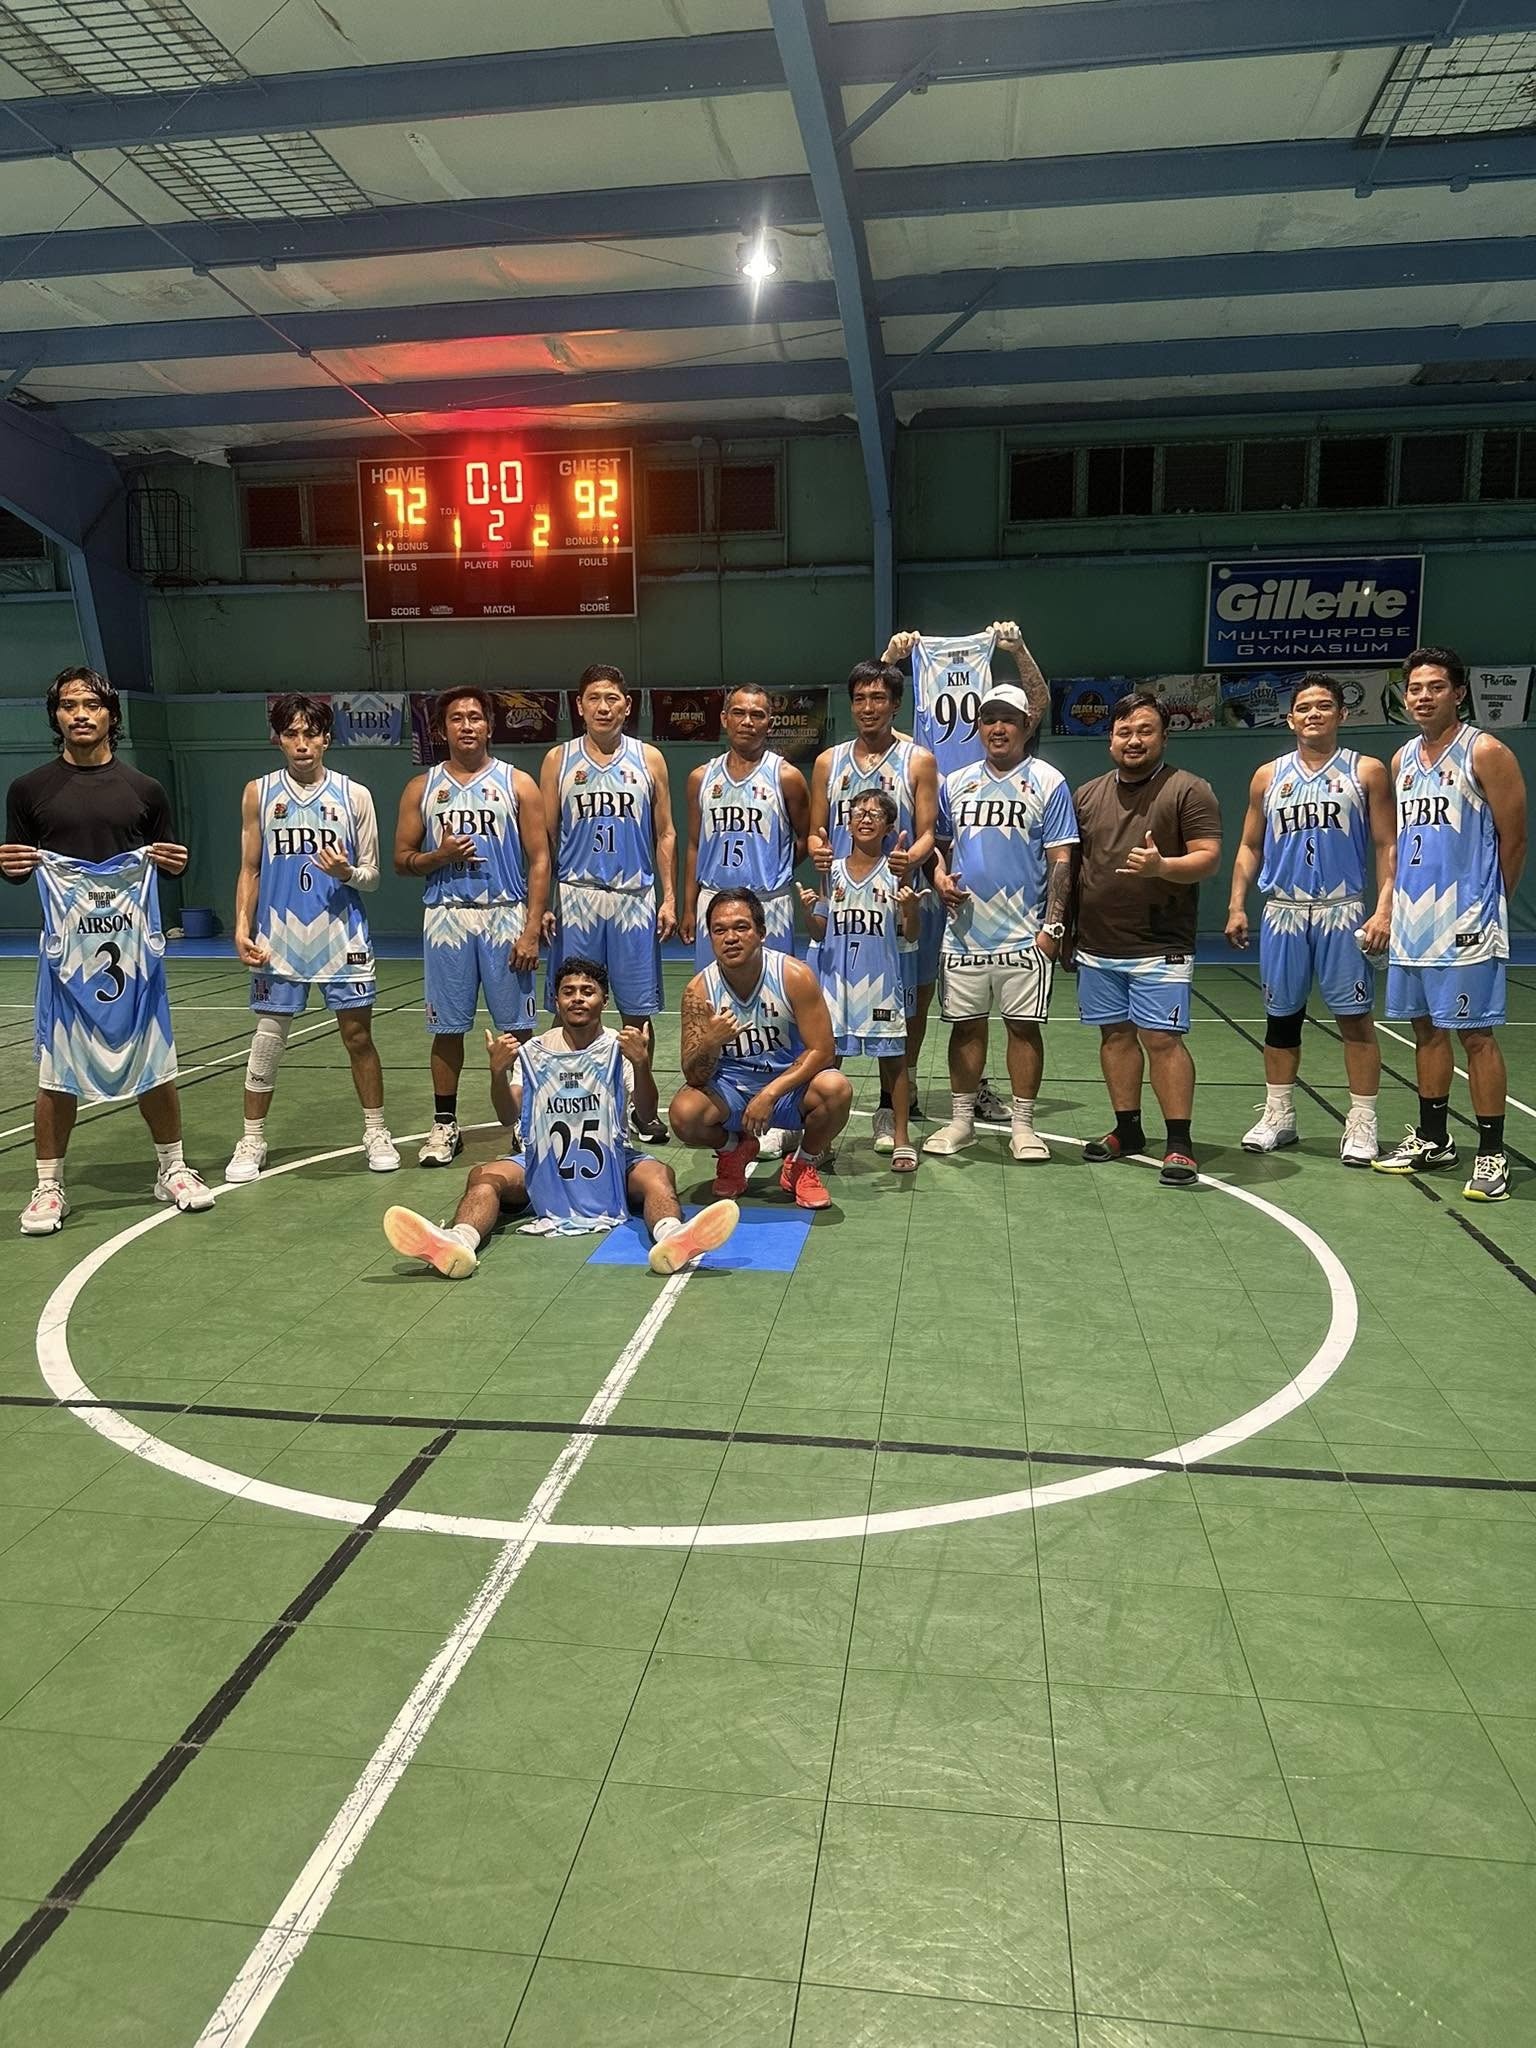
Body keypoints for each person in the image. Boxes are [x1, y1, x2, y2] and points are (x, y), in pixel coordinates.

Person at [1, 665, 214, 1233]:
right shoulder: (28, 790)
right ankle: (49, 1186)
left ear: (111, 715)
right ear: (55, 717)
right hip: (67, 957)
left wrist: (175, 863)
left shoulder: (145, 790)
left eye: (91, 705)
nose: (80, 715)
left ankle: (172, 1168)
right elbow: (19, 868)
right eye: (68, 705)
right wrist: (11, 865)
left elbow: (169, 863)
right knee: (56, 1072)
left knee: (155, 1063)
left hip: (135, 953)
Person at [383, 956, 739, 1278]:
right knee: (483, 1176)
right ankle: (458, 1241)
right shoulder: (535, 1051)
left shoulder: (619, 1048)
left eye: (588, 991)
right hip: (543, 1163)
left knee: (659, 1175)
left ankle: (672, 1236)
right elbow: (508, 1114)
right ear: (556, 1001)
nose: (577, 998)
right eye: (568, 992)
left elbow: (646, 1115)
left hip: (612, 1163)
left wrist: (642, 1064)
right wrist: (497, 1074)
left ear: (604, 1000)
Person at [881, 620, 1050, 1126]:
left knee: (981, 997)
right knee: (918, 990)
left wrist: (1018, 649)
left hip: (984, 892)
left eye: (1004, 718)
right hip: (925, 872)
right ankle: (905, 1088)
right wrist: (891, 660)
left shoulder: (1002, 741)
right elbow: (876, 708)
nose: (997, 725)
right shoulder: (916, 746)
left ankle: (977, 1089)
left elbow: (1038, 702)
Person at [1373, 645, 1527, 1201]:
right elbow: (1400, 844)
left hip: (1467, 918)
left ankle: (1491, 1154)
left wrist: (1490, 905)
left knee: (1475, 1036)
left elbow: (1515, 839)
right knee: (1425, 1030)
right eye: (1414, 688)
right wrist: (1390, 907)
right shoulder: (1401, 760)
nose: (1422, 697)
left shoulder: (1485, 751)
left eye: (1435, 687)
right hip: (1415, 920)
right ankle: (1435, 1139)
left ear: (1458, 693)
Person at [226, 694, 399, 1181]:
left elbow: (372, 876)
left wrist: (347, 872)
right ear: (278, 739)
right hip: (277, 938)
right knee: (268, 1040)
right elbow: (250, 868)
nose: (301, 744)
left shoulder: (354, 795)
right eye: (291, 734)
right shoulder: (258, 793)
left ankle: (376, 1131)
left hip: (342, 936)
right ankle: (252, 1139)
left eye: (310, 734)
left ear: (326, 739)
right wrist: (241, 927)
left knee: (358, 1036)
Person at [1225, 675, 1395, 1166]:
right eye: (1303, 707)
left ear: (1342, 714)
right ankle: (1279, 1115)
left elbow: (1387, 844)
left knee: (1355, 1020)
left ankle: (1362, 1121)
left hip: (1344, 909)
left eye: (1323, 706)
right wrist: (1237, 903)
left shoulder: (1366, 771)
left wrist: (1385, 907)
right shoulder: (1267, 776)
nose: (1313, 714)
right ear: (1290, 718)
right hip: (1283, 912)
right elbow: (1249, 845)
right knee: (1281, 1021)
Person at [393, 687, 550, 1168]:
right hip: (446, 917)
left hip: (504, 913)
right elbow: (401, 859)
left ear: (489, 726)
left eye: (475, 717)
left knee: (518, 1028)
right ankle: (445, 1124)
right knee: (447, 1029)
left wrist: (530, 929)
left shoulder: (517, 783)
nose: (466, 725)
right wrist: (438, 856)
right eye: (457, 718)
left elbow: (540, 859)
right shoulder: (421, 788)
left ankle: (526, 1121)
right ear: (442, 729)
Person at [1071, 693, 1222, 1186]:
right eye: (1124, 732)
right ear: (1110, 739)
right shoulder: (1087, 794)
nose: (1133, 740)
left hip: (1161, 944)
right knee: (1114, 1036)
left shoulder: (1189, 789)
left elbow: (1208, 857)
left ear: (1163, 736)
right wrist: (1066, 930)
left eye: (1144, 731)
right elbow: (1073, 867)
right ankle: (1128, 1130)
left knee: (1162, 1039)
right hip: (1097, 944)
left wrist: (1162, 867)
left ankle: (1179, 1142)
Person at [924, 683, 1078, 1162]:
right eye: (989, 719)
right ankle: (962, 1122)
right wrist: (938, 878)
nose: (997, 728)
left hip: (1025, 934)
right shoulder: (955, 783)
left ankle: (1023, 1126)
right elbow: (938, 848)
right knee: (965, 1029)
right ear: (978, 727)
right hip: (964, 934)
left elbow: (1061, 859)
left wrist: (1053, 928)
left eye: (1008, 719)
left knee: (1023, 1030)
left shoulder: (1049, 781)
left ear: (1025, 726)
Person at [541, 663, 676, 1143]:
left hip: (634, 897)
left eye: (612, 698)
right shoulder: (558, 760)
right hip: (577, 896)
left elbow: (665, 832)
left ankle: (641, 1108)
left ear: (627, 705)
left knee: (637, 1013)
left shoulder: (649, 758)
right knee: (569, 1006)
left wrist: (669, 897)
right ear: (579, 706)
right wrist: (545, 902)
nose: (603, 707)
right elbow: (545, 839)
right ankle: (561, 1101)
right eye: (594, 698)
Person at [807, 658, 939, 1145]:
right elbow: (815, 833)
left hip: (897, 899)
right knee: (831, 1013)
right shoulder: (828, 762)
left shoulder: (918, 760)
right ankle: (819, 1112)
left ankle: (891, 1106)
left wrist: (908, 861)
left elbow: (927, 833)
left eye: (878, 698)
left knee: (905, 1008)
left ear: (895, 704)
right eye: (860, 698)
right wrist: (818, 850)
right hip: (842, 904)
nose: (868, 707)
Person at [668, 886, 852, 1209]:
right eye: (719, 930)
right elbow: (693, 1075)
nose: (731, 938)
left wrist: (769, 1094)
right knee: (684, 1113)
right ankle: (734, 1149)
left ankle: (802, 1164)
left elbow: (823, 1051)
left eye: (741, 927)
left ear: (762, 933)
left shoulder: (794, 976)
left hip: (788, 1091)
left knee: (836, 1088)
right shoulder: (699, 992)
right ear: (710, 938)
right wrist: (710, 1042)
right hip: (732, 1093)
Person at [799, 789, 923, 1171]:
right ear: (848, 823)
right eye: (858, 813)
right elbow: (819, 931)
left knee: (894, 1061)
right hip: (835, 983)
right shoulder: (830, 871)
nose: (866, 819)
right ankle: (819, 1141)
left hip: (880, 982)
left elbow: (910, 934)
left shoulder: (896, 871)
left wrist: (911, 909)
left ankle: (901, 1138)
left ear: (889, 827)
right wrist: (807, 911)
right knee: (826, 1061)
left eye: (875, 814)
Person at [682, 683, 809, 967]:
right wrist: (688, 907)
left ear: (770, 723)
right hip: (714, 902)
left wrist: (774, 869)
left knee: (774, 990)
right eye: (739, 713)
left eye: (757, 715)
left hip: (769, 903)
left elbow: (804, 839)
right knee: (712, 991)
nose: (747, 721)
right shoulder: (701, 778)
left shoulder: (787, 777)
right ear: (724, 718)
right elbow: (694, 846)